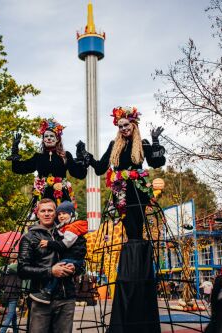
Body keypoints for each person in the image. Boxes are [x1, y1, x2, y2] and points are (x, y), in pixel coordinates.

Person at [77, 106, 166, 333]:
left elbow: (157, 164)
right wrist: (86, 156)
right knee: (128, 227)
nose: (124, 129)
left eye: (127, 125)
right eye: (120, 126)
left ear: (134, 125)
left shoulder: (142, 144)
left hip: (138, 190)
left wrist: (155, 142)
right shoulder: (113, 146)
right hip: (120, 191)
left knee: (138, 228)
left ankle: (138, 265)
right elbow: (99, 168)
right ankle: (132, 264)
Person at [17, 198, 77, 333]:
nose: (47, 214)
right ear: (37, 213)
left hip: (66, 298)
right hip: (40, 298)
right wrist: (50, 271)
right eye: (43, 211)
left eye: (50, 210)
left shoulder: (66, 234)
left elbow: (80, 257)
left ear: (55, 213)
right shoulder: (29, 237)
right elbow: (22, 270)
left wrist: (76, 268)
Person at [8, 118, 87, 207]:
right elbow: (19, 169)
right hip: (42, 196)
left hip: (61, 197)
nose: (49, 138)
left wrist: (82, 160)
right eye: (46, 136)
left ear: (57, 139)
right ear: (43, 140)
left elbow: (78, 174)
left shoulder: (65, 155)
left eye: (52, 136)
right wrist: (14, 149)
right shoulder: (38, 157)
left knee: (63, 217)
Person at [30, 201, 88, 304]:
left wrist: (49, 243)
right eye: (59, 214)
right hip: (72, 260)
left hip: (73, 262)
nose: (61, 216)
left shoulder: (72, 228)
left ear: (71, 214)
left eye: (64, 213)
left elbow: (64, 245)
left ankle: (47, 291)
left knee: (60, 266)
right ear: (37, 214)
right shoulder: (63, 228)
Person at [0, 259, 23, 333]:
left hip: (6, 295)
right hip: (13, 295)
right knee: (10, 315)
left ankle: (15, 331)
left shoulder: (3, 270)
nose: (17, 263)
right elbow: (19, 285)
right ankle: (2, 331)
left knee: (13, 315)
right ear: (13, 261)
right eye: (16, 261)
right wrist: (22, 296)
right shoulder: (17, 271)